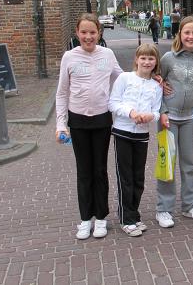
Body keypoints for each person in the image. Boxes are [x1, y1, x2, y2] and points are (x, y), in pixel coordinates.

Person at [55, 13, 123, 240]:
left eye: (92, 32)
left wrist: (149, 77)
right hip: (78, 121)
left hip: (102, 119)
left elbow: (122, 79)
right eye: (84, 32)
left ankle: (101, 217)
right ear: (77, 33)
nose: (88, 36)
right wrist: (60, 124)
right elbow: (62, 92)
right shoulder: (69, 57)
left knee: (100, 170)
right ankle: (85, 219)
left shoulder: (108, 54)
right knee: (84, 171)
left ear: (99, 33)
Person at [156, 16, 193, 228]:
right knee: (167, 164)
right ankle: (163, 208)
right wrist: (162, 111)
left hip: (189, 118)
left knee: (188, 164)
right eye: (187, 32)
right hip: (168, 119)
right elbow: (156, 85)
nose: (191, 36)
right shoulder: (168, 58)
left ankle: (189, 205)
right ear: (180, 34)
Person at [109, 43, 163, 236]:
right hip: (122, 132)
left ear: (155, 62)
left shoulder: (156, 85)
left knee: (138, 177)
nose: (147, 62)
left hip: (141, 135)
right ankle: (126, 218)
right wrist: (131, 112)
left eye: (151, 58)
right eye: (143, 58)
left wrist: (150, 116)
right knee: (125, 177)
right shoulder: (125, 78)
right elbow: (113, 103)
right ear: (136, 59)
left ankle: (134, 214)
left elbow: (157, 111)